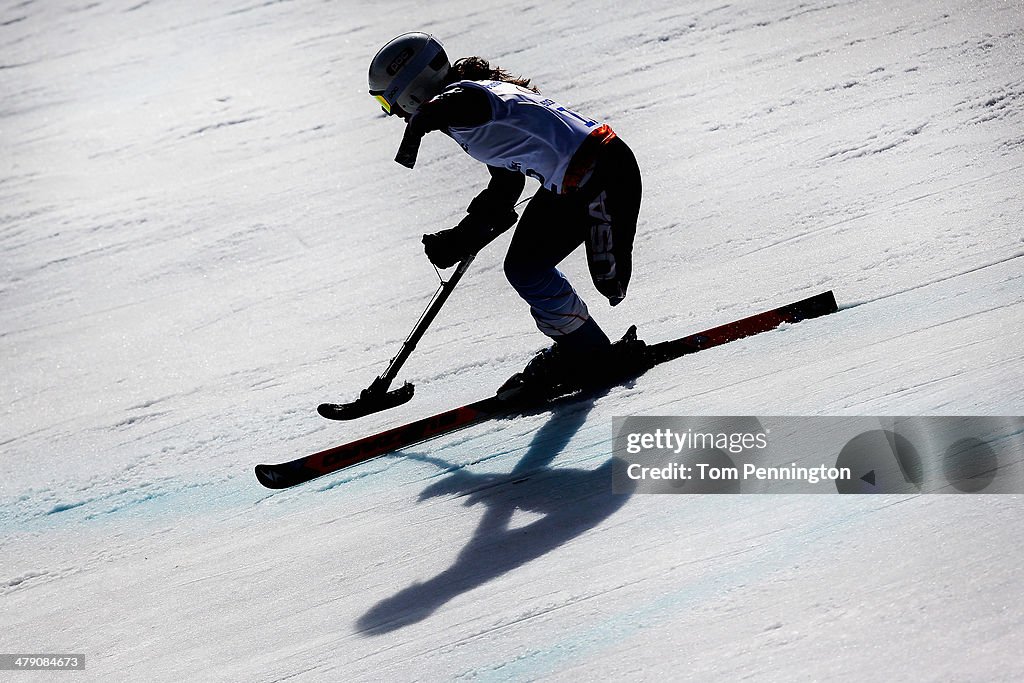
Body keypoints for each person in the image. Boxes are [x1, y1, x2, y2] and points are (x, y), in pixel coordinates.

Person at [368, 32, 643, 394]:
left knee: (610, 281)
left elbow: (461, 102)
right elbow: (506, 186)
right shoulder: (468, 108)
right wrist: (464, 234)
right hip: (572, 185)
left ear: (411, 93)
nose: (396, 116)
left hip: (604, 176)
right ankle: (584, 348)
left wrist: (425, 120)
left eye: (390, 106)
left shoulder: (469, 98)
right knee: (524, 268)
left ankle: (591, 355)